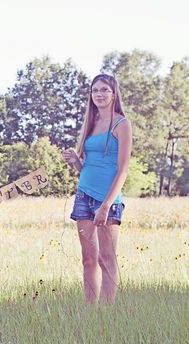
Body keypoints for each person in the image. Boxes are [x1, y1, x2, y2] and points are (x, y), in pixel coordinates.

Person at [62, 74, 133, 304]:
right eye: (95, 90)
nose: (99, 94)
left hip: (107, 200)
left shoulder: (122, 124)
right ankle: (90, 311)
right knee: (88, 259)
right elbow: (86, 167)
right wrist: (75, 161)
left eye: (104, 90)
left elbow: (123, 169)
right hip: (83, 196)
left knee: (106, 258)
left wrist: (106, 206)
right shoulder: (90, 124)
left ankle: (107, 312)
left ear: (114, 94)